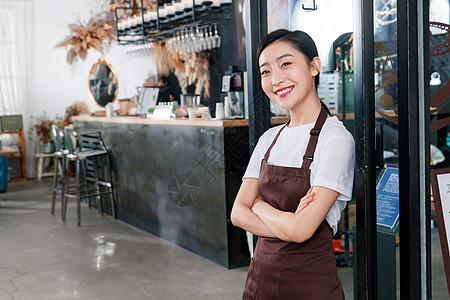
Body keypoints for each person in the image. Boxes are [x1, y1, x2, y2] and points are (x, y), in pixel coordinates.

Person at [230, 29, 355, 299]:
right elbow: (238, 213)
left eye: (286, 64)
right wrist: (287, 224)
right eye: (266, 71)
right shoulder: (269, 139)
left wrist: (260, 204)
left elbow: (302, 230)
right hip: (258, 282)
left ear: (314, 66)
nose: (276, 79)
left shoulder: (335, 138)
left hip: (309, 287)